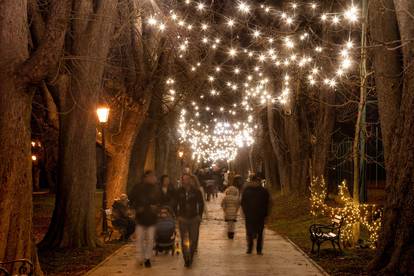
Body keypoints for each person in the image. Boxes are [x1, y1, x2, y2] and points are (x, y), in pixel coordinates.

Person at [129, 171, 160, 268]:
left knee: (150, 239)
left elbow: (160, 201)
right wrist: (136, 208)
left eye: (153, 176)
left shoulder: (156, 188)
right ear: (145, 177)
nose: (153, 178)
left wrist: (156, 207)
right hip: (140, 217)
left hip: (152, 218)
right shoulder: (138, 187)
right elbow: (131, 198)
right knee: (140, 239)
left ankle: (147, 258)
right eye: (151, 176)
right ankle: (139, 257)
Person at [175, 173, 204, 267]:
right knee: (184, 240)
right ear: (182, 180)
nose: (186, 181)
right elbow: (175, 204)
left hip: (194, 218)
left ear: (190, 180)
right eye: (184, 179)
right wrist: (177, 215)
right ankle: (186, 258)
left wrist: (199, 215)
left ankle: (190, 256)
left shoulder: (196, 191)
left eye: (188, 179)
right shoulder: (179, 191)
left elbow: (201, 204)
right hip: (183, 218)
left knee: (193, 239)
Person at [241, 174, 271, 255]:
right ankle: (258, 249)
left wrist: (245, 212)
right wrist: (266, 214)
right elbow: (267, 203)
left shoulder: (247, 190)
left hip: (252, 215)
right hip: (259, 215)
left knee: (251, 232)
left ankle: (251, 248)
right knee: (259, 232)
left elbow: (243, 202)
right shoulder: (263, 191)